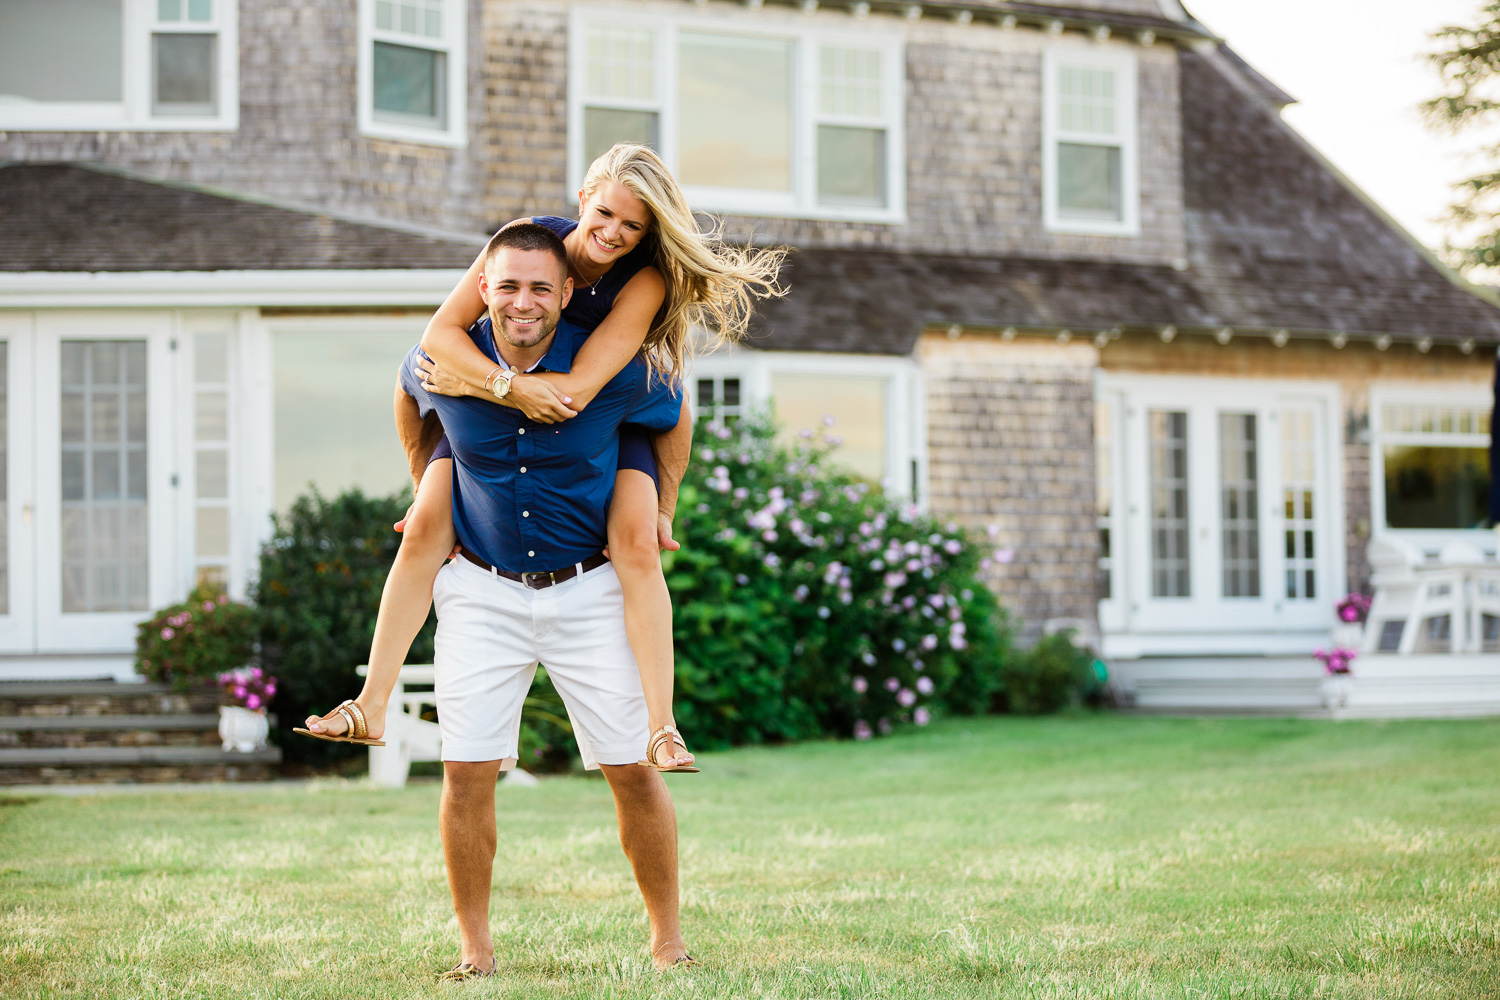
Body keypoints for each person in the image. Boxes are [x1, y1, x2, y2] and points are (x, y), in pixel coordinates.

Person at [300, 144, 783, 769]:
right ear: (583, 198)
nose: (613, 233)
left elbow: (577, 392)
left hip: (602, 411)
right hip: (499, 404)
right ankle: (369, 703)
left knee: (636, 544)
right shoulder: (524, 245)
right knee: (423, 526)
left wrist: (665, 505)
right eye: (605, 213)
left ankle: (662, 728)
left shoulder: (644, 280)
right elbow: (433, 344)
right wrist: (427, 474)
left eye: (633, 226)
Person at [390, 222, 690, 978]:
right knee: (466, 771)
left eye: (540, 289)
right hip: (481, 591)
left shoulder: (612, 364)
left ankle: (668, 942)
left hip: (589, 591)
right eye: (509, 286)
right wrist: (424, 474)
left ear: (567, 296)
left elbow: (674, 411)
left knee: (632, 770)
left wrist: (665, 507)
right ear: (484, 289)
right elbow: (408, 388)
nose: (524, 301)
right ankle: (475, 952)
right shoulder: (452, 357)